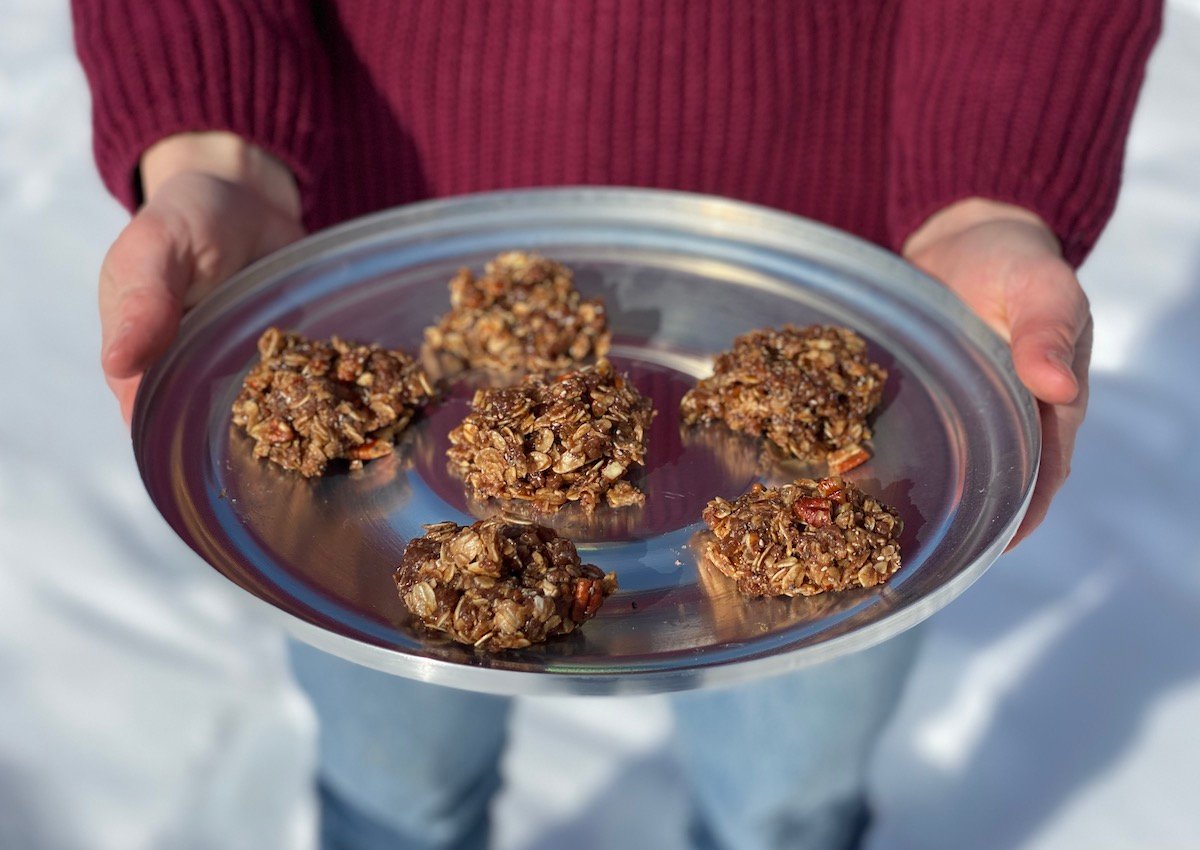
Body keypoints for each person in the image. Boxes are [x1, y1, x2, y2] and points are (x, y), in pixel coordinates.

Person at [71, 2, 1161, 848]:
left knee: (786, 801)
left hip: (853, 284)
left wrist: (990, 195)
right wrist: (216, 151)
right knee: (394, 790)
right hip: (367, 284)